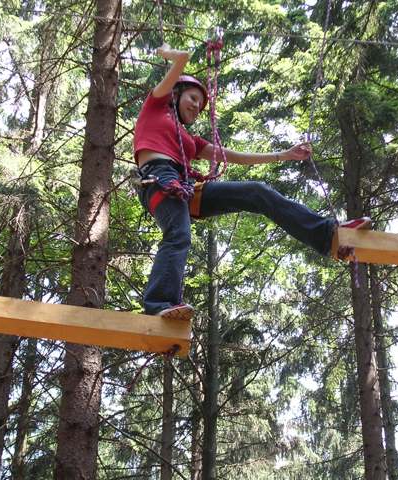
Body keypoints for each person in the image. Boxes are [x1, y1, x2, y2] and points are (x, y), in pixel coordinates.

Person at [133, 44, 371, 321]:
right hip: (159, 179)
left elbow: (232, 156)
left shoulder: (190, 140)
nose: (197, 106)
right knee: (178, 234)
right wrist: (169, 54)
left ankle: (328, 235)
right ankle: (158, 304)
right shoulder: (155, 107)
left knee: (256, 192)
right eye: (192, 98)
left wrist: (284, 155)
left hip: (185, 186)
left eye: (200, 103)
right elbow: (182, 60)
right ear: (175, 94)